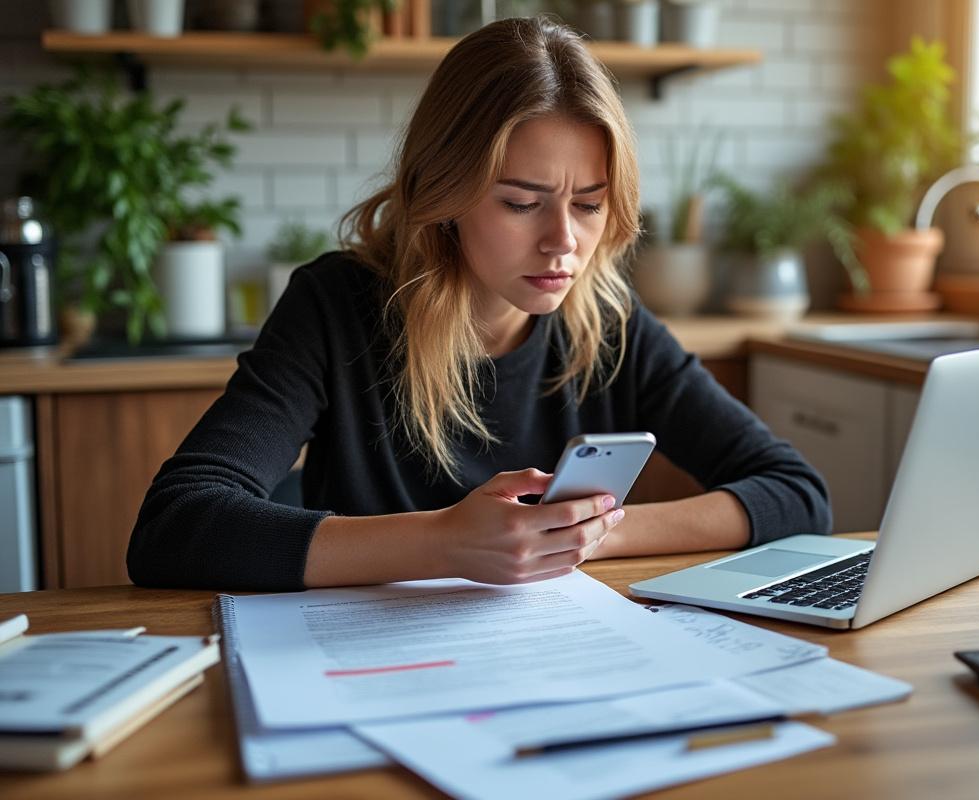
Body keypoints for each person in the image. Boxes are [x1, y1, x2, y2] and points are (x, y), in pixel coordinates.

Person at [126, 17, 830, 592]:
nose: (564, 242)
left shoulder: (608, 324)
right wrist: (443, 542)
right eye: (522, 203)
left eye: (589, 205)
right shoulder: (335, 307)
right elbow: (176, 525)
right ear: (445, 195)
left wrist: (582, 535)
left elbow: (798, 494)